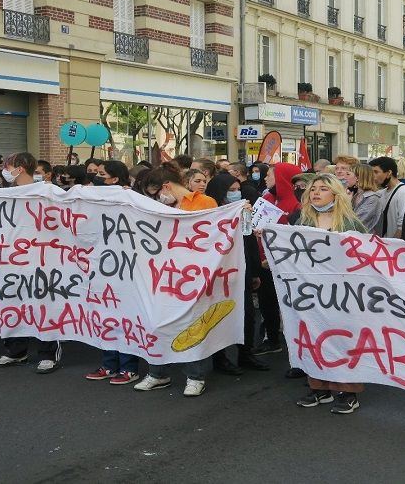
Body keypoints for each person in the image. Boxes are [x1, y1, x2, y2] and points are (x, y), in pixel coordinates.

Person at [134, 162, 218, 397]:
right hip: (162, 273)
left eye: (156, 191)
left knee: (193, 324)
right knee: (158, 321)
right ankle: (157, 373)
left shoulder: (204, 202)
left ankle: (195, 376)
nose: (156, 196)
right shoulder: (159, 206)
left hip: (194, 274)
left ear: (166, 186)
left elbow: (211, 236)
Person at [291, 173, 368, 414]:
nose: (315, 193)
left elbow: (365, 255)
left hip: (343, 294)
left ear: (336, 194)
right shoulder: (302, 221)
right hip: (310, 292)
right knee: (312, 336)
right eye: (313, 189)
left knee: (343, 339)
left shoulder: (351, 223)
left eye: (323, 189)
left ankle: (348, 391)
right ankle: (319, 387)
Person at [0, 152, 62, 374]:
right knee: (14, 303)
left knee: (45, 307)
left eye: (7, 166)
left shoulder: (49, 192)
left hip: (44, 260)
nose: (4, 170)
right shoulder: (3, 194)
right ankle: (16, 350)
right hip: (13, 260)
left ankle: (48, 354)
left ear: (19, 168)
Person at [203, 174, 269, 374]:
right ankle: (220, 359)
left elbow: (249, 241)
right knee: (219, 316)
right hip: (219, 274)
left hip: (242, 271)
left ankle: (245, 354)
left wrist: (255, 272)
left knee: (247, 316)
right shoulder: (209, 212)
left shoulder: (243, 210)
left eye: (237, 189)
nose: (236, 193)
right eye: (230, 190)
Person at [85, 162, 139, 385]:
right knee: (105, 317)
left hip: (125, 268)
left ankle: (128, 368)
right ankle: (109, 364)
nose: (97, 177)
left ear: (115, 179)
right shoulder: (91, 197)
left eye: (101, 174)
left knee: (125, 318)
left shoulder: (131, 199)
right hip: (99, 266)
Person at [252, 163, 301, 357]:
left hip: (286, 265)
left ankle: (297, 347)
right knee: (267, 303)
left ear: (281, 178)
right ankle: (272, 339)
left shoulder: (297, 205)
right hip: (264, 263)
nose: (265, 178)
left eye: (270, 175)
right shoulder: (267, 199)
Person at [370, 156, 405, 238]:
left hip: (393, 247)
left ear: (389, 173)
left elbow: (403, 225)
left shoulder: (403, 191)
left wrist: (392, 246)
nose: (373, 176)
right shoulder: (380, 193)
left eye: (376, 172)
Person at [342, 164, 382, 232]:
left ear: (358, 177)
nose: (344, 177)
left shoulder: (372, 198)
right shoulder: (356, 195)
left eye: (348, 174)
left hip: (365, 240)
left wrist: (347, 204)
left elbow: (356, 224)